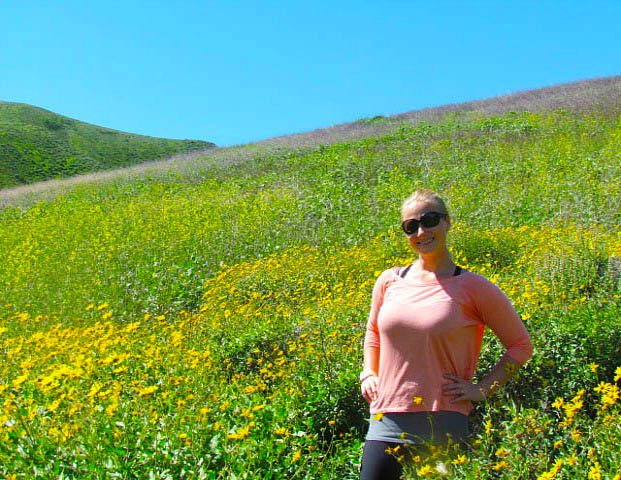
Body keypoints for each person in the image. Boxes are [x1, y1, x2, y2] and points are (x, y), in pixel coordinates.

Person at [358, 189, 533, 480]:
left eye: (430, 220)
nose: (421, 231)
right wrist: (368, 372)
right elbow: (373, 331)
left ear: (448, 222)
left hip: (443, 419)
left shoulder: (475, 287)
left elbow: (520, 345)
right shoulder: (389, 281)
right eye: (411, 226)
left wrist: (482, 389)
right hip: (385, 416)